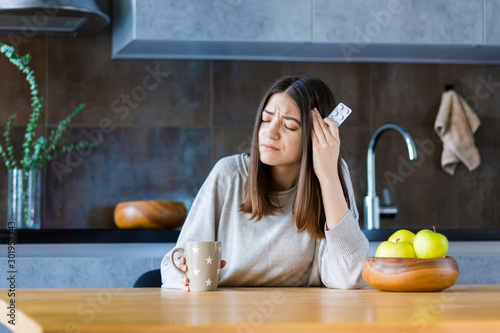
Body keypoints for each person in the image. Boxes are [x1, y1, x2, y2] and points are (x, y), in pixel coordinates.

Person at [161, 75, 370, 291]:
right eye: (266, 119)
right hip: (226, 318)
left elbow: (351, 275)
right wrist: (182, 274)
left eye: (289, 126)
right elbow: (172, 266)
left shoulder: (332, 175)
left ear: (316, 136)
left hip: (302, 320)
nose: (270, 133)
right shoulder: (228, 174)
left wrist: (327, 176)